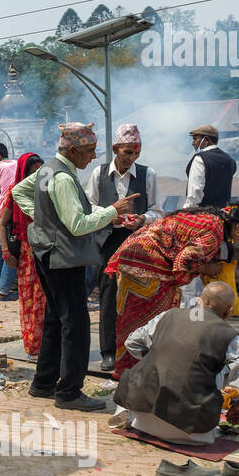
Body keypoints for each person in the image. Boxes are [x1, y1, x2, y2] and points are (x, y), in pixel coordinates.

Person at [10, 122, 140, 411]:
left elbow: (19, 192)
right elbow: (78, 225)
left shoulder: (47, 169)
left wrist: (44, 219)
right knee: (76, 325)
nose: (92, 157)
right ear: (72, 149)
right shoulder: (64, 178)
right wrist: (112, 211)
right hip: (63, 257)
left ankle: (43, 382)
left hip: (47, 251)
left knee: (56, 318)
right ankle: (69, 391)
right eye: (89, 150)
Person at [106, 202, 239, 378]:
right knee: (151, 322)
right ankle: (139, 374)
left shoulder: (212, 221)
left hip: (136, 254)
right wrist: (206, 269)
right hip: (147, 263)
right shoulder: (214, 232)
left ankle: (135, 372)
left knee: (134, 319)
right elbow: (183, 262)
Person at [114, 282, 239, 445]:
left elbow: (132, 343)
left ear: (199, 301)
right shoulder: (231, 338)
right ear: (229, 310)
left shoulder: (168, 315)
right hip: (189, 431)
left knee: (155, 360)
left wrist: (156, 358)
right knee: (217, 367)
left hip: (139, 417)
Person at [83, 123, 163, 370]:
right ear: (116, 149)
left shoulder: (148, 175)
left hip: (137, 243)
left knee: (138, 295)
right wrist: (110, 214)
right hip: (108, 242)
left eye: (136, 153)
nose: (132, 158)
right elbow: (89, 206)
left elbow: (157, 211)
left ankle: (136, 348)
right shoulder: (99, 174)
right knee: (108, 296)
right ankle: (108, 351)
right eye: (127, 152)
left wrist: (141, 219)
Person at [0, 152, 45, 359]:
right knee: (29, 300)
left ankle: (48, 344)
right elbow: (2, 223)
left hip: (47, 250)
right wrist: (6, 251)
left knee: (46, 299)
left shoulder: (49, 191)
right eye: (33, 172)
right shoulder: (15, 192)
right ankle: (33, 346)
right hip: (27, 252)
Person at [0, 143, 18, 301]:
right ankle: (2, 289)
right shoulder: (18, 163)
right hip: (17, 213)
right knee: (11, 250)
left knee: (0, 251)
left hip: (3, 212)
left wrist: (0, 207)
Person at [184, 124, 236, 208]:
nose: (193, 143)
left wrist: (187, 210)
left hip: (204, 214)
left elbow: (195, 192)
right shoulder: (230, 160)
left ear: (206, 140)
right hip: (223, 213)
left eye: (195, 139)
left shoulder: (200, 159)